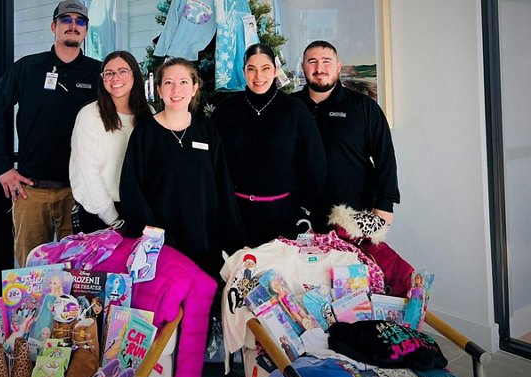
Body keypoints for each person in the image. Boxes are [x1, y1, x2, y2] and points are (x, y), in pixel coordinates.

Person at [0, 0, 100, 267]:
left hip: (79, 192)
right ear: (53, 26)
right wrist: (2, 168)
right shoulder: (28, 68)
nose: (73, 25)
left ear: (86, 30)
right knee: (31, 276)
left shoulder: (98, 72)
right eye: (66, 20)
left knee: (80, 273)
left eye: (80, 21)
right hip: (31, 192)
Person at [120, 57, 244, 277]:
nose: (176, 89)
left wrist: (232, 236)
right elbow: (131, 188)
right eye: (168, 83)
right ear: (159, 90)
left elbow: (221, 182)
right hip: (160, 243)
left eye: (184, 82)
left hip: (203, 238)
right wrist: (154, 235)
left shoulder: (207, 129)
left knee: (201, 303)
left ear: (195, 88)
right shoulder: (145, 132)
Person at [213, 43, 327, 246]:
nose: (259, 77)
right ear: (243, 71)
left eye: (265, 68)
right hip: (236, 217)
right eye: (251, 69)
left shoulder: (295, 110)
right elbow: (214, 165)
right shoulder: (225, 111)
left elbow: (315, 164)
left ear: (275, 70)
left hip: (285, 218)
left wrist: (303, 209)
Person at [296, 40, 400, 230]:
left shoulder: (364, 107)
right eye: (312, 61)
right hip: (298, 215)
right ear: (303, 67)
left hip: (353, 215)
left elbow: (385, 158)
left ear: (338, 67)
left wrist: (385, 205)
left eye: (326, 61)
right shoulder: (289, 107)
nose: (320, 68)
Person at [69, 51, 151, 233]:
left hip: (140, 211)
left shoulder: (148, 114)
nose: (115, 78)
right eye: (109, 73)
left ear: (134, 74)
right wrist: (112, 217)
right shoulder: (90, 115)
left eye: (122, 71)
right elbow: (86, 172)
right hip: (100, 214)